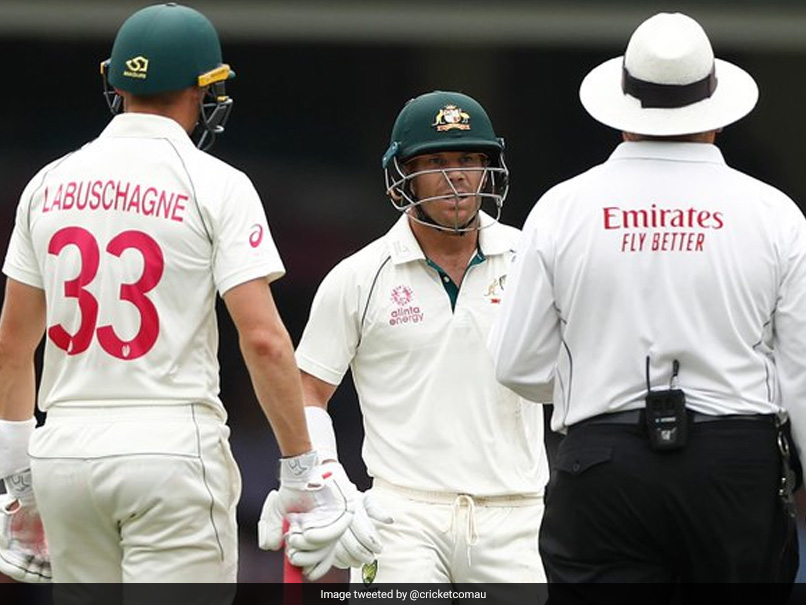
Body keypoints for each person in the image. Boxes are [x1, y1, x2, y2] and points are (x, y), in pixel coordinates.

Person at [0, 3, 355, 587]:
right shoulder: (218, 183)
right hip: (170, 450)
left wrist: (19, 485)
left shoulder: (47, 182)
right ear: (201, 89)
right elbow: (263, 340)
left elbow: (14, 346)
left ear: (115, 83)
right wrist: (302, 470)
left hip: (62, 451)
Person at [489, 11, 803, 596]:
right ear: (714, 119)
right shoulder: (774, 214)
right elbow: (801, 371)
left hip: (602, 463)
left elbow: (515, 364)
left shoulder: (564, 207)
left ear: (624, 118)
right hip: (734, 466)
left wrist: (595, 378)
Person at [288, 90, 550, 588]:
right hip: (401, 514)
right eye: (436, 161)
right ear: (401, 177)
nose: (456, 177)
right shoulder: (359, 275)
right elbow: (306, 389)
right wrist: (326, 481)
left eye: (470, 159)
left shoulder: (529, 258)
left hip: (515, 516)